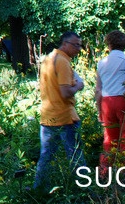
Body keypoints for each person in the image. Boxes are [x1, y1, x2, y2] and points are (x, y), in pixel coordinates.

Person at [33, 32, 86, 190]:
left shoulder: (48, 59)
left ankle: (39, 190)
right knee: (76, 156)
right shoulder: (62, 61)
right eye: (76, 45)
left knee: (46, 157)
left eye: (79, 45)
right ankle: (83, 190)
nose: (78, 48)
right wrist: (79, 85)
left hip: (48, 116)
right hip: (65, 117)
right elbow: (65, 92)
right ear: (65, 44)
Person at [94, 30, 125, 173]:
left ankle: (105, 172)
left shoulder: (102, 63)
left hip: (106, 103)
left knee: (109, 138)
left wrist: (99, 111)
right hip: (124, 101)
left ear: (109, 44)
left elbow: (98, 90)